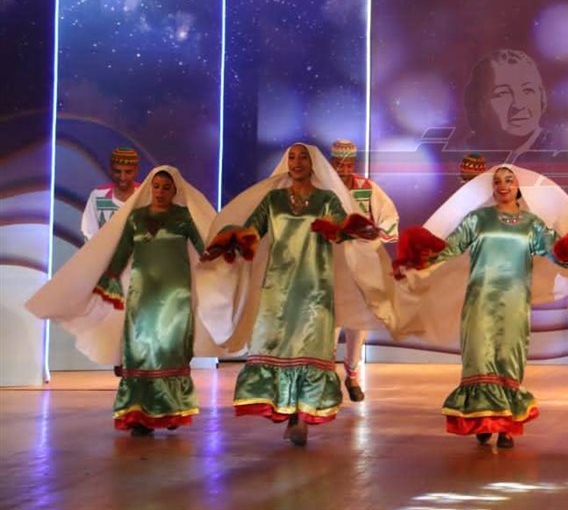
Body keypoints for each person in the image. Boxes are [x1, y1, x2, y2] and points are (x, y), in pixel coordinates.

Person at [196, 143, 397, 446]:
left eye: (303, 157)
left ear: (314, 164)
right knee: (280, 350)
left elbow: (341, 226)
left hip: (315, 289)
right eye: (292, 157)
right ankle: (289, 414)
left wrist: (357, 230)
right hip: (277, 290)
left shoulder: (326, 199)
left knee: (310, 352)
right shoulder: (274, 200)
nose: (297, 162)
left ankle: (301, 417)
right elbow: (252, 231)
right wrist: (227, 243)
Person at [392, 164, 568, 449]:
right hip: (480, 300)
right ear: (492, 188)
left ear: (519, 187)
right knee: (479, 357)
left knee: (508, 357)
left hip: (514, 303)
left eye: (509, 180)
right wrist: (419, 258)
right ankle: (482, 419)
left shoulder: (532, 224)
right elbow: (451, 247)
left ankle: (506, 426)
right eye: (497, 181)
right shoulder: (478, 219)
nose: (503, 185)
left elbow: (557, 254)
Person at [28, 166, 219, 435]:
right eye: (156, 186)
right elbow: (122, 252)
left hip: (175, 296)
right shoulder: (136, 217)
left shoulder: (183, 217)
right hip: (142, 294)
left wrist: (224, 254)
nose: (160, 192)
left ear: (175, 191)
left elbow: (203, 248)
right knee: (138, 352)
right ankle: (139, 416)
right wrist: (107, 278)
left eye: (166, 188)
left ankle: (171, 409)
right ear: (149, 188)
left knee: (170, 351)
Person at [329, 139, 401, 403]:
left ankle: (352, 373)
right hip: (333, 262)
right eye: (338, 164)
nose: (343, 169)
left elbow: (389, 217)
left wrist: (373, 234)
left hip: (362, 263)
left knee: (359, 320)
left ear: (354, 164)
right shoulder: (324, 188)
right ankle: (327, 374)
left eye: (348, 164)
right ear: (331, 163)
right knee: (332, 318)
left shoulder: (367, 188)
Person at [464, 49, 554, 158]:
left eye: (527, 90)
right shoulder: (464, 155)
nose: (519, 105)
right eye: (503, 93)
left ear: (541, 96)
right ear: (480, 104)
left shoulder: (559, 149)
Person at [81, 147, 141, 241]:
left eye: (128, 172)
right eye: (118, 171)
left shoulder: (145, 194)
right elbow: (89, 233)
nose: (122, 177)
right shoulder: (98, 196)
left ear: (136, 170)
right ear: (111, 170)